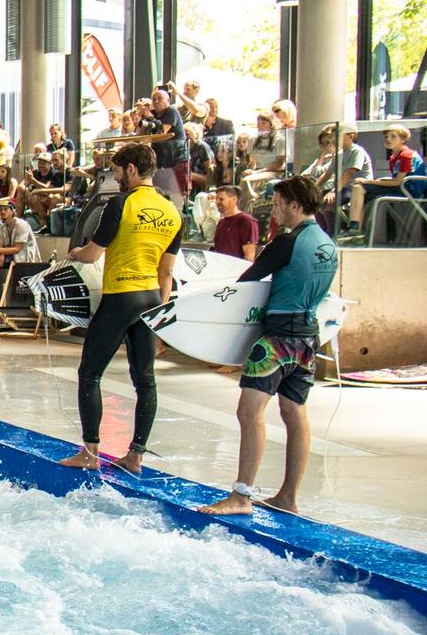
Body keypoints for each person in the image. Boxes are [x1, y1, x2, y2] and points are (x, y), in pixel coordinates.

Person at [195, 177, 340, 517]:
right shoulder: (327, 244)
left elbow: (248, 279)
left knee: (249, 412)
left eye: (277, 203)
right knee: (294, 413)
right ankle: (288, 497)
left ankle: (241, 496)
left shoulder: (287, 242)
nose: (274, 210)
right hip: (308, 337)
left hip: (277, 340)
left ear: (294, 204)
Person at [59, 143, 183, 474]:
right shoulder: (172, 211)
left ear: (130, 169)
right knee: (145, 380)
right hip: (151, 299)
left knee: (90, 373)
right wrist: (160, 317)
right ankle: (135, 456)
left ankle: (90, 452)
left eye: (117, 170)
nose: (115, 176)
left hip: (120, 296)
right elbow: (167, 273)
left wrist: (71, 254)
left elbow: (92, 254)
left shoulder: (120, 204)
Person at [211, 184, 258, 261]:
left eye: (221, 199)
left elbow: (249, 254)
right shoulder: (221, 222)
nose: (217, 202)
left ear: (234, 199)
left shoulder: (246, 221)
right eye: (216, 199)